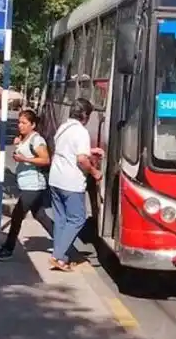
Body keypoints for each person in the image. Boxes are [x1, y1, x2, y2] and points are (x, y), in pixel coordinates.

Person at [48, 98, 101, 272]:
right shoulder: (81, 132)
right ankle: (58, 255)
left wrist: (90, 151)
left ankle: (62, 258)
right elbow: (81, 159)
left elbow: (67, 150)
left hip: (55, 179)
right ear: (85, 115)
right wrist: (95, 172)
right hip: (71, 182)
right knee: (77, 218)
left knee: (61, 219)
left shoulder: (64, 127)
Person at [0, 109, 51, 261]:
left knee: (17, 216)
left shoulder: (37, 140)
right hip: (26, 184)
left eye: (24, 123)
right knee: (41, 216)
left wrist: (25, 159)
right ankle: (65, 244)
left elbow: (45, 160)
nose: (20, 126)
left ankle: (8, 249)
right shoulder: (24, 139)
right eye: (19, 122)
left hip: (34, 185)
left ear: (33, 124)